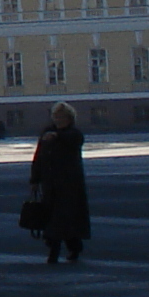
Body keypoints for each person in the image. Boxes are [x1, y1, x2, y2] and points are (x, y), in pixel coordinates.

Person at [28, 102, 90, 264]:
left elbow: (74, 139)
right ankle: (56, 250)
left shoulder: (73, 134)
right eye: (56, 116)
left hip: (70, 185)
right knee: (52, 219)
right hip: (50, 184)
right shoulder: (47, 133)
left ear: (70, 118)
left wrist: (57, 137)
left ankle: (72, 247)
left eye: (61, 117)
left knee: (67, 218)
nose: (58, 120)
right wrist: (35, 179)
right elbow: (39, 157)